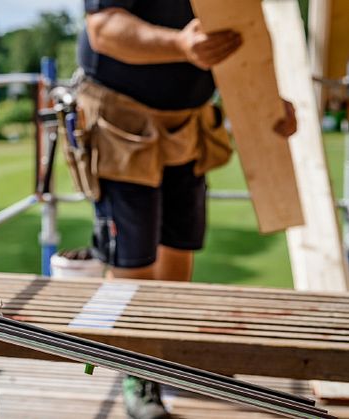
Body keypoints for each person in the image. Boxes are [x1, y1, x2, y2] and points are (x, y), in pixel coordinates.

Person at [71, 1, 297, 418]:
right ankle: (137, 370)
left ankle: (167, 356)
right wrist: (180, 43)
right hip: (120, 120)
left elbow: (238, 34)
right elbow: (104, 28)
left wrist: (266, 98)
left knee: (179, 248)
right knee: (133, 261)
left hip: (188, 120)